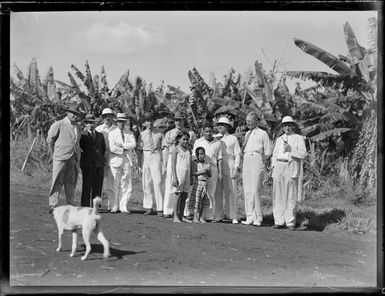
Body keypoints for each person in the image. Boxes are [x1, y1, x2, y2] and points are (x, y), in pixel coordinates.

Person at [271, 116, 307, 230]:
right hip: (279, 166)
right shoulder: (279, 139)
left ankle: (290, 221)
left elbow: (303, 154)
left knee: (291, 194)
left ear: (292, 126)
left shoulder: (298, 138)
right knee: (278, 194)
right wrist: (273, 167)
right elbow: (275, 154)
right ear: (282, 127)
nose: (287, 127)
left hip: (290, 166)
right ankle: (278, 220)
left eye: (289, 125)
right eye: (285, 125)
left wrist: (291, 149)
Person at [47, 103, 82, 213]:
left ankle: (70, 205)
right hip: (60, 157)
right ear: (68, 113)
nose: (75, 116)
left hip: (74, 157)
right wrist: (55, 153)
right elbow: (50, 140)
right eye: (73, 113)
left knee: (71, 182)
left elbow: (77, 143)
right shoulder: (59, 124)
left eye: (77, 114)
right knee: (57, 180)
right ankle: (53, 204)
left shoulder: (78, 126)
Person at [241, 111, 272, 226]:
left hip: (257, 158)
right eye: (247, 121)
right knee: (247, 189)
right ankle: (249, 216)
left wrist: (260, 159)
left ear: (256, 121)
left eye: (250, 120)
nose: (248, 123)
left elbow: (268, 151)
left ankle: (258, 218)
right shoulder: (247, 134)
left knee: (255, 190)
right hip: (247, 158)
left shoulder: (262, 133)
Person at [192, 123, 223, 222]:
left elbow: (219, 159)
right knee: (198, 194)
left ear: (213, 132)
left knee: (210, 194)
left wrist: (220, 173)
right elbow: (193, 157)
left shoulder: (217, 143)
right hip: (200, 170)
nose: (208, 133)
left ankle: (208, 216)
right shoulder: (198, 142)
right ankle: (196, 215)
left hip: (212, 171)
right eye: (206, 131)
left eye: (210, 131)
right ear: (203, 132)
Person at [214, 117, 241, 224]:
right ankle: (218, 215)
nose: (220, 126)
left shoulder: (233, 139)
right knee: (218, 191)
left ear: (227, 127)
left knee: (231, 191)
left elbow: (238, 154)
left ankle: (232, 215)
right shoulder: (215, 138)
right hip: (218, 165)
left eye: (223, 125)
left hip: (230, 164)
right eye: (219, 124)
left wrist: (236, 168)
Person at [108, 113, 136, 214]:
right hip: (115, 161)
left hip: (127, 161)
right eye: (119, 121)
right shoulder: (112, 133)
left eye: (123, 121)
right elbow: (112, 147)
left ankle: (123, 206)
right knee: (113, 184)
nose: (121, 123)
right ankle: (114, 206)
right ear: (116, 122)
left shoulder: (129, 133)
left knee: (126, 185)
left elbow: (133, 145)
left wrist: (122, 145)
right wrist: (124, 148)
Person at [137, 113, 164, 216]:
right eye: (148, 120)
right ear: (144, 122)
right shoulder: (142, 134)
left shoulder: (159, 133)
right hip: (146, 154)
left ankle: (160, 208)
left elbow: (163, 148)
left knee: (157, 182)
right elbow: (139, 150)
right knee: (146, 182)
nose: (150, 122)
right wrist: (139, 164)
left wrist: (163, 161)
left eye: (152, 120)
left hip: (156, 154)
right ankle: (148, 207)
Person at [162, 111, 185, 218]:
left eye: (180, 120)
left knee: (182, 184)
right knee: (169, 184)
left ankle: (183, 211)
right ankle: (168, 209)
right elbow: (165, 150)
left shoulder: (188, 133)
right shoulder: (169, 133)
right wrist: (164, 165)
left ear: (183, 121)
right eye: (177, 120)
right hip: (172, 158)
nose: (178, 122)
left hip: (183, 158)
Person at [79, 114, 106, 207]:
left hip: (99, 164)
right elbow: (79, 148)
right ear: (85, 124)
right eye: (89, 123)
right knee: (87, 186)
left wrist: (101, 161)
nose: (91, 125)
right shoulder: (82, 135)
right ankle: (85, 205)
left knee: (97, 186)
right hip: (87, 164)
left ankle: (96, 206)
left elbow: (103, 148)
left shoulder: (100, 135)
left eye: (93, 123)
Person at [95, 108, 116, 211]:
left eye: (110, 116)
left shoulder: (116, 128)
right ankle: (98, 205)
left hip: (113, 158)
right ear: (102, 117)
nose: (108, 118)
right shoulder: (99, 129)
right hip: (101, 158)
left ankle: (112, 205)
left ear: (112, 117)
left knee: (112, 183)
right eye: (105, 116)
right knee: (99, 183)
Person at [170, 131, 192, 223]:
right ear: (179, 139)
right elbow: (173, 164)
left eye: (187, 139)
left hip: (187, 175)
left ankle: (181, 215)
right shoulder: (176, 149)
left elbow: (190, 164)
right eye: (183, 139)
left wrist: (191, 176)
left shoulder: (188, 150)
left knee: (184, 195)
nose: (185, 141)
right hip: (179, 174)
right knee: (177, 194)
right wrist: (174, 177)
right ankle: (175, 215)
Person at [189, 147, 211, 223]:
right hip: (198, 183)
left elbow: (210, 174)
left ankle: (201, 217)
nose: (200, 156)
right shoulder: (195, 163)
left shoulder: (207, 163)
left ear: (204, 154)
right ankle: (195, 217)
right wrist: (203, 171)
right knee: (196, 201)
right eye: (198, 154)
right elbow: (194, 173)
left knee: (202, 201)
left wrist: (207, 171)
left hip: (205, 183)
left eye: (201, 154)